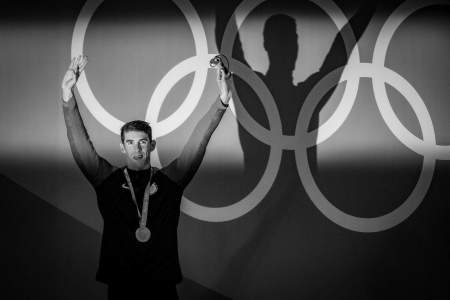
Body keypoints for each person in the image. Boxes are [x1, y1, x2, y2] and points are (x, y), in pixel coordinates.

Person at [61, 54, 232, 299]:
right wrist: (68, 98)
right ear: (122, 147)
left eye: (142, 142)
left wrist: (221, 103)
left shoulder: (170, 181)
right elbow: (80, 146)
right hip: (121, 284)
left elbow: (198, 141)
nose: (137, 148)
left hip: (162, 284)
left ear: (152, 145)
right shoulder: (106, 180)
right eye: (130, 142)